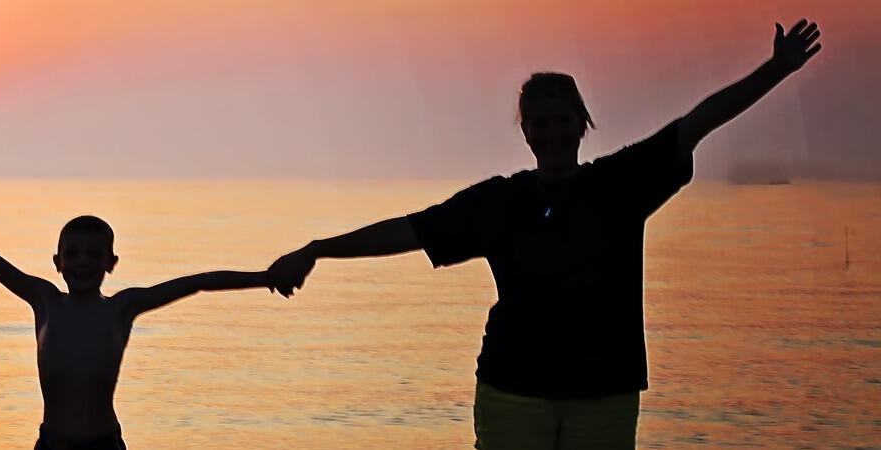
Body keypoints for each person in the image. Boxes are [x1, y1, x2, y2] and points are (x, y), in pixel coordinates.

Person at [264, 19, 825, 449]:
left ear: (582, 125)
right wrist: (318, 250)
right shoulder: (498, 201)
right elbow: (409, 231)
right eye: (541, 123)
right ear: (526, 132)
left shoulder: (621, 183)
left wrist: (777, 69)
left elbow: (699, 122)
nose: (553, 133)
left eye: (563, 121)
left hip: (604, 393)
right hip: (513, 392)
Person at [0, 216, 272, 449]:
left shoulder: (122, 307)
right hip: (52, 444)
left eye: (94, 254)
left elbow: (199, 282)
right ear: (57, 262)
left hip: (104, 445)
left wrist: (266, 277)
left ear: (111, 263)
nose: (83, 262)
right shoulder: (44, 299)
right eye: (72, 254)